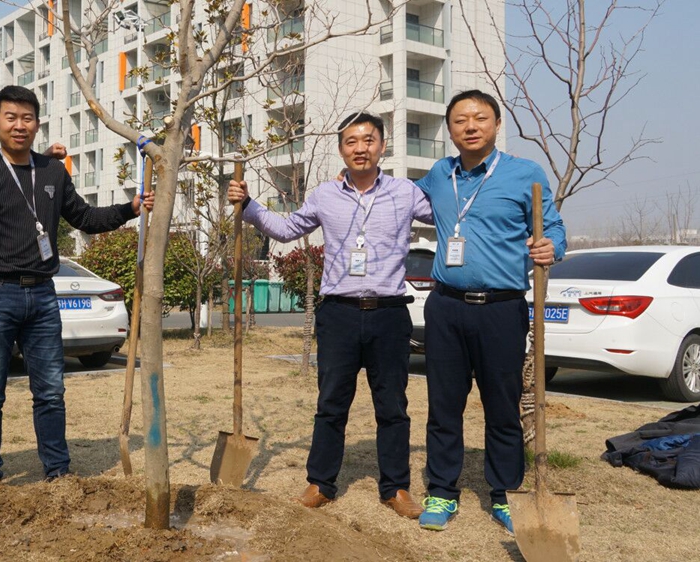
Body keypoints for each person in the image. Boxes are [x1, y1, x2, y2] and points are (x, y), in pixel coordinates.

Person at [227, 112, 433, 518]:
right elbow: (287, 229)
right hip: (338, 313)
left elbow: (451, 216)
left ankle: (395, 488)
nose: (361, 148)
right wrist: (248, 205)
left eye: (369, 140)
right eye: (352, 141)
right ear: (341, 149)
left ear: (382, 146)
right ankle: (321, 482)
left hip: (390, 314)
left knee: (392, 405)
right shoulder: (324, 195)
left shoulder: (406, 192)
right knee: (331, 403)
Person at [0, 85, 154, 484]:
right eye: (11, 118)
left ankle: (58, 472)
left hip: (43, 295)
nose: (19, 125)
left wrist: (129, 208)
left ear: (37, 124)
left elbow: (85, 217)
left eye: (27, 118)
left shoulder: (52, 172)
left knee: (50, 391)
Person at [414, 90, 566, 534]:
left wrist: (551, 246)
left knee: (501, 405)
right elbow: (395, 199)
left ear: (497, 124)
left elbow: (554, 227)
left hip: (501, 309)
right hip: (445, 307)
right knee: (444, 404)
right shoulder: (439, 174)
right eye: (460, 120)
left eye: (480, 118)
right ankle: (442, 490)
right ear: (449, 130)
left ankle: (505, 493)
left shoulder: (525, 174)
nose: (470, 126)